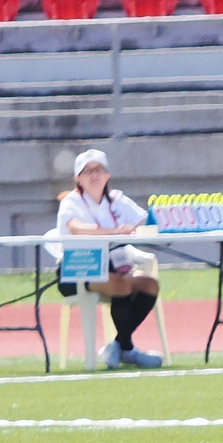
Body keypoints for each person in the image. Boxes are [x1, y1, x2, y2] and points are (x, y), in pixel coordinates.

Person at [55, 148, 163, 369]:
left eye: (99, 170)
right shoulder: (71, 202)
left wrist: (145, 225)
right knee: (121, 285)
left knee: (150, 285)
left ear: (107, 175)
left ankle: (120, 346)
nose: (95, 175)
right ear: (78, 178)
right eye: (88, 171)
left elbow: (146, 221)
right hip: (77, 268)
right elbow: (76, 229)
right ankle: (127, 349)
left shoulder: (117, 199)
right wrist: (115, 232)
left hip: (114, 266)